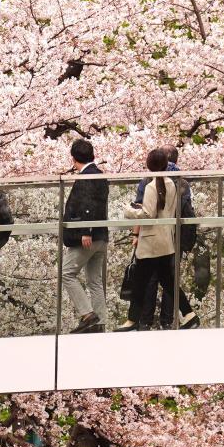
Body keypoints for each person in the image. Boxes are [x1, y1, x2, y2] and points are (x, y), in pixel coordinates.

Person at [118, 147, 197, 330]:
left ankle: (132, 320)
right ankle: (189, 313)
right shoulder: (173, 184)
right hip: (166, 240)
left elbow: (148, 214)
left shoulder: (152, 186)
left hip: (151, 242)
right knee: (168, 282)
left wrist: (129, 210)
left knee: (140, 282)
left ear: (149, 165)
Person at [61, 139, 109, 333]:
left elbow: (88, 204)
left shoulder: (87, 177)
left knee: (66, 273)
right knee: (95, 280)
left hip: (87, 236)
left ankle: (87, 314)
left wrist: (85, 230)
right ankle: (100, 322)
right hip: (101, 236)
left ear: (73, 159)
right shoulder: (99, 175)